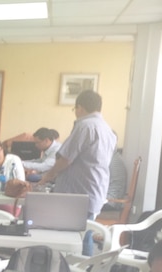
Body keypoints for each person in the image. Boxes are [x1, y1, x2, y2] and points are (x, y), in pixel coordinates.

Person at [40, 90, 116, 255]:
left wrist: (47, 177)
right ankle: (84, 270)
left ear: (79, 108)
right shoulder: (108, 130)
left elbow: (65, 159)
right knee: (86, 234)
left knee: (73, 238)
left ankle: (73, 270)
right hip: (95, 189)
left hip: (77, 193)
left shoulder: (84, 126)